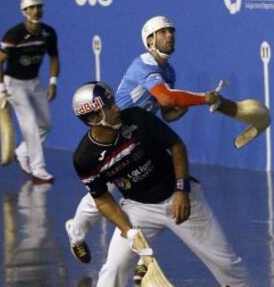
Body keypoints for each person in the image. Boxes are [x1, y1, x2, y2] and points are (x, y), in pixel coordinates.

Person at [70, 80, 274, 287]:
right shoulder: (84, 158)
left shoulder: (138, 119)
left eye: (112, 101)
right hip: (137, 209)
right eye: (108, 106)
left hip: (181, 198)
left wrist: (181, 190)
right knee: (113, 269)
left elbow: (176, 146)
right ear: (93, 118)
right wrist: (128, 230)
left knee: (225, 262)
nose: (115, 108)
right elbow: (102, 199)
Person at [65, 16, 233, 273]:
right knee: (98, 198)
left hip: (137, 138)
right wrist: (203, 97)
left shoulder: (169, 72)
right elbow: (165, 98)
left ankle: (143, 261)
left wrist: (185, 106)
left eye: (171, 31)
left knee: (152, 199)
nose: (169, 35)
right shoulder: (144, 65)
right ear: (149, 40)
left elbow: (168, 112)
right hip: (113, 138)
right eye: (162, 32)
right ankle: (75, 233)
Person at [0, 0, 60, 183]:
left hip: (34, 82)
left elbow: (54, 58)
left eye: (39, 7)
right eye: (31, 8)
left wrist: (53, 82)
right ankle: (38, 169)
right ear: (24, 11)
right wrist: (1, 90)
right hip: (13, 84)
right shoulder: (14, 35)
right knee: (29, 123)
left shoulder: (48, 33)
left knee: (45, 124)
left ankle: (22, 152)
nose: (36, 11)